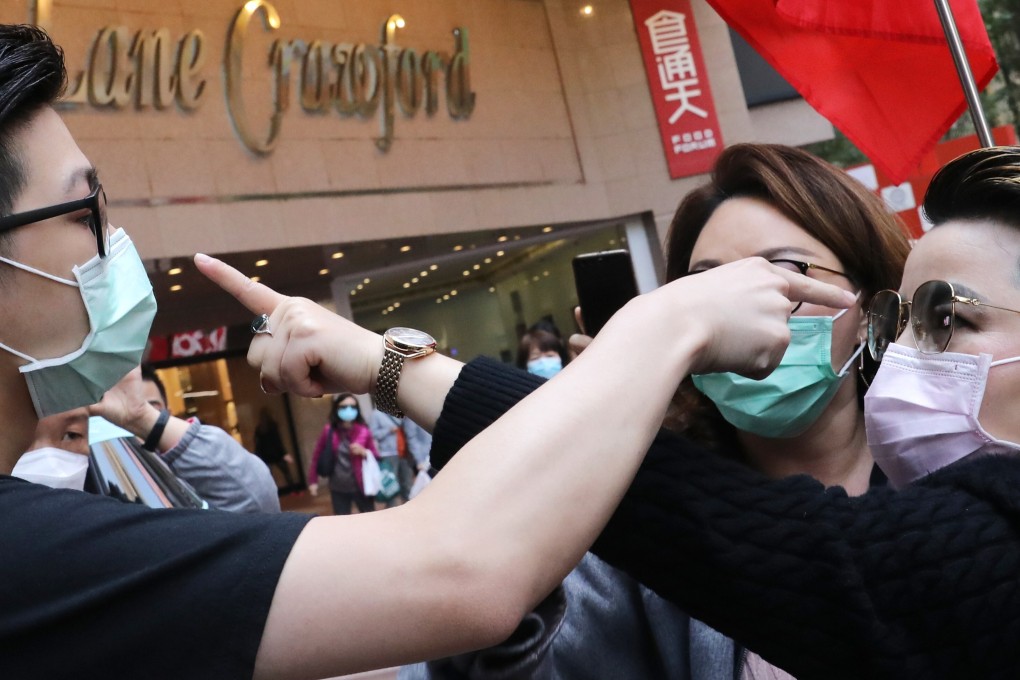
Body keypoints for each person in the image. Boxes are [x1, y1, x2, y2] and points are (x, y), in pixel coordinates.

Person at [0, 23, 850, 679]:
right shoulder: (31, 555)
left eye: (782, 273)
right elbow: (461, 571)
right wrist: (664, 329)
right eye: (85, 213)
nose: (115, 244)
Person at [392, 146, 1020, 679]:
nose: (739, 309)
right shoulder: (613, 501)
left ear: (868, 306)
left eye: (784, 273)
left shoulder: (966, 478)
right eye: (705, 286)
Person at [91, 365, 282, 513]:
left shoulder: (188, 479)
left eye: (153, 407)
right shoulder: (92, 481)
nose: (122, 420)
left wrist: (143, 418)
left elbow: (258, 499)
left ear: (167, 413)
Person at [309, 393, 380, 515]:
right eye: (344, 407)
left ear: (357, 409)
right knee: (342, 521)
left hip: (361, 485)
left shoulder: (363, 430)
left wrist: (363, 452)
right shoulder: (329, 430)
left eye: (352, 407)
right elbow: (317, 455)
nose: (348, 410)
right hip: (338, 487)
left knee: (369, 517)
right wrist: (313, 480)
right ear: (336, 409)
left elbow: (375, 455)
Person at [254, 406, 297, 489]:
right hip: (276, 453)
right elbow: (278, 441)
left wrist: (257, 455)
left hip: (265, 455)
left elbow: (258, 444)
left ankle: (271, 492)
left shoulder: (259, 429)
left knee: (268, 476)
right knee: (286, 472)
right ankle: (293, 489)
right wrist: (284, 453)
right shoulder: (273, 426)